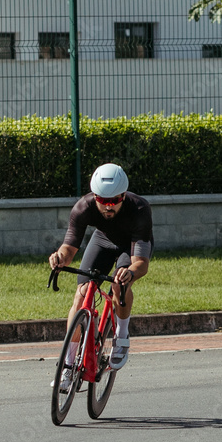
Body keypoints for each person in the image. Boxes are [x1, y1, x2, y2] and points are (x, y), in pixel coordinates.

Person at [48, 163, 153, 390]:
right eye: (102, 200)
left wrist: (131, 272)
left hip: (130, 247)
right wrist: (59, 258)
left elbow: (142, 263)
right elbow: (69, 248)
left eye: (114, 200)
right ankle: (67, 365)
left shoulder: (139, 209)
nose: (108, 206)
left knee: (119, 285)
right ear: (94, 196)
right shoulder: (83, 207)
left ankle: (121, 337)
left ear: (123, 195)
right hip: (103, 240)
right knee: (82, 293)